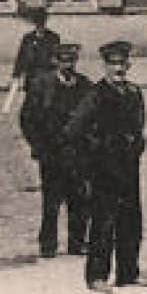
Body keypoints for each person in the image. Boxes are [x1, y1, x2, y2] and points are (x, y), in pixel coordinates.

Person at [67, 40, 147, 294]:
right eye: (113, 64)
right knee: (103, 222)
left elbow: (139, 125)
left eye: (122, 64)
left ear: (129, 65)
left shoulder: (134, 92)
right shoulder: (95, 94)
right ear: (105, 66)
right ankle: (96, 276)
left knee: (130, 220)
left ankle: (128, 273)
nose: (118, 69)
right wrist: (91, 160)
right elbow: (74, 130)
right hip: (103, 168)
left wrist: (137, 144)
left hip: (128, 166)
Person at [19, 41, 91, 258]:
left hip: (78, 151)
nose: (67, 65)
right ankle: (48, 244)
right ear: (55, 62)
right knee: (51, 198)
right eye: (63, 61)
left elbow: (93, 116)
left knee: (79, 197)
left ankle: (77, 242)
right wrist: (38, 144)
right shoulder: (42, 85)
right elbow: (27, 118)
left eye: (71, 61)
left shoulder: (85, 85)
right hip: (52, 152)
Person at [7, 7, 59, 114]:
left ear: (45, 22)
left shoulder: (53, 37)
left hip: (47, 76)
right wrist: (16, 75)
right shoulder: (28, 38)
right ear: (34, 23)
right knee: (31, 104)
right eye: (37, 22)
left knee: (47, 105)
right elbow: (21, 57)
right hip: (32, 76)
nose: (40, 25)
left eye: (42, 21)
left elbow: (57, 57)